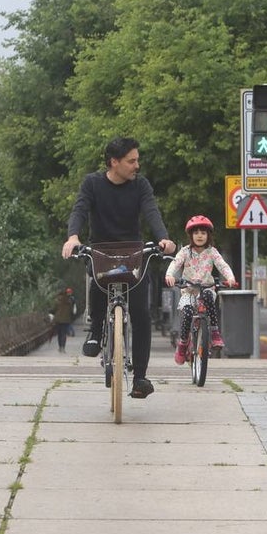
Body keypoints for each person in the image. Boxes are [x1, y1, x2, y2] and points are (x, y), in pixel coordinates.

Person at [61, 137, 177, 398]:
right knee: (99, 280)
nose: (137, 165)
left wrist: (163, 238)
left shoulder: (141, 186)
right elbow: (79, 209)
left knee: (140, 312)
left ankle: (140, 378)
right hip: (102, 249)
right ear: (114, 162)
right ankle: (96, 328)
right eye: (131, 160)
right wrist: (73, 237)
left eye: (137, 160)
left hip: (132, 251)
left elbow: (151, 211)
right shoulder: (92, 183)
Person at [165, 215, 238, 364]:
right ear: (191, 235)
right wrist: (169, 275)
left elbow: (222, 265)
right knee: (186, 312)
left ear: (208, 235)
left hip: (206, 288)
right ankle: (183, 343)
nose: (199, 236)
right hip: (188, 290)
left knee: (208, 297)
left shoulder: (212, 252)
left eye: (203, 233)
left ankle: (215, 332)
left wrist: (230, 277)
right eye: (196, 232)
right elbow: (175, 264)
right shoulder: (185, 251)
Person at [50, 287, 75, 353]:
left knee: (59, 334)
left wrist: (51, 313)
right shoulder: (69, 301)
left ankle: (60, 347)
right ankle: (63, 348)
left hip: (58, 320)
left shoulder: (57, 301)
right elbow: (71, 311)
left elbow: (53, 309)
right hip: (66, 320)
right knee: (64, 334)